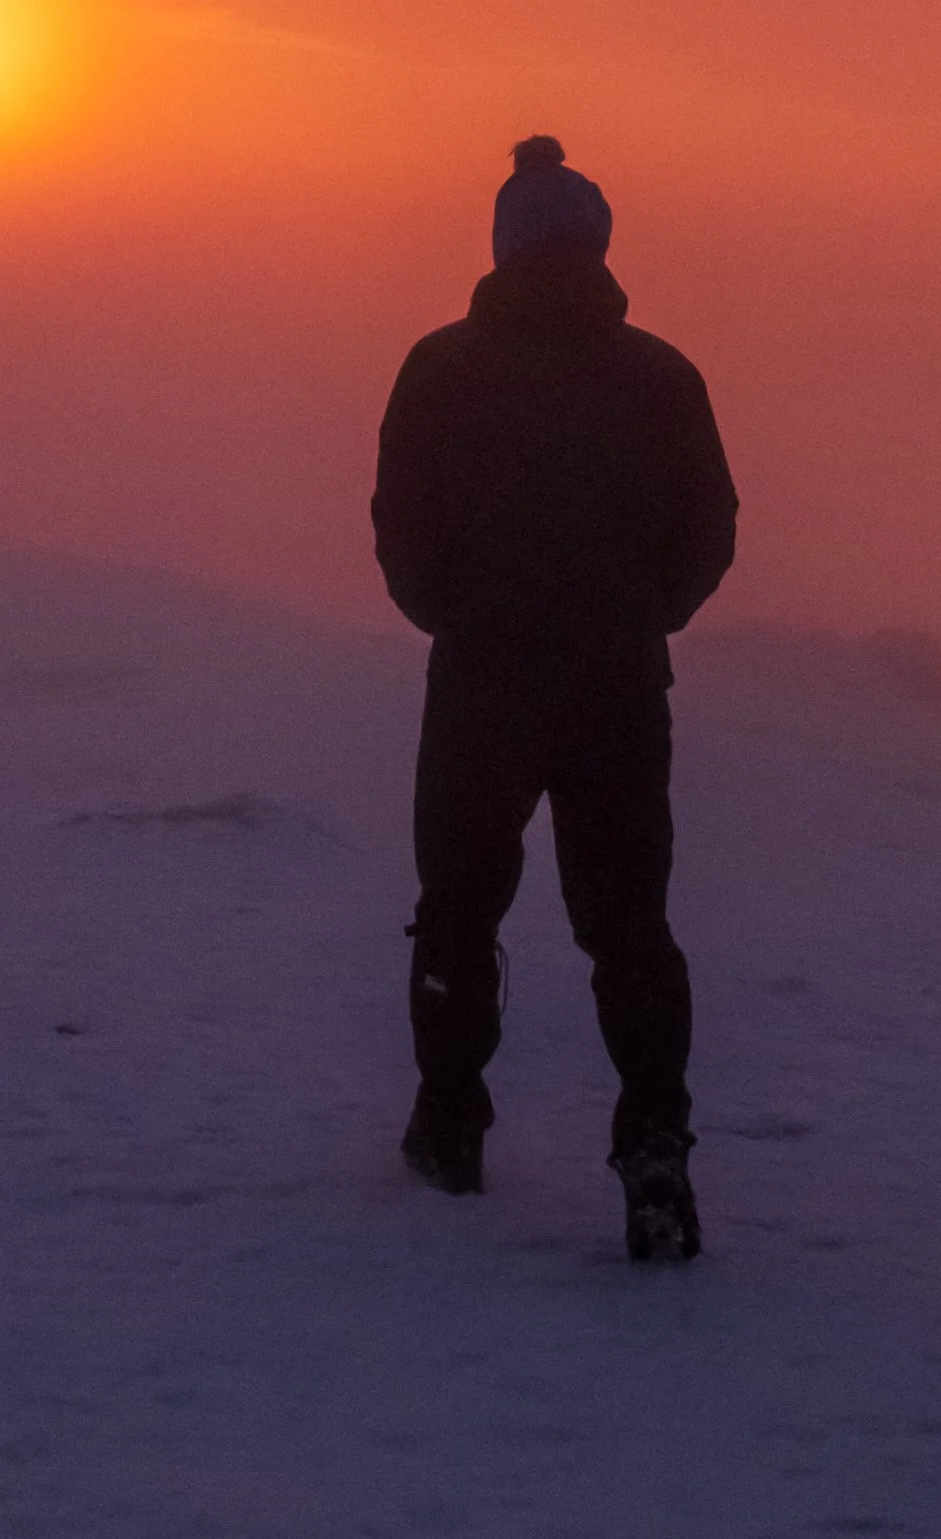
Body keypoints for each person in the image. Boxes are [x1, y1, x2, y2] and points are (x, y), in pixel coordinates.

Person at [371, 135, 737, 1260]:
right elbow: (708, 531)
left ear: (504, 245)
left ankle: (449, 1125)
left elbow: (400, 527)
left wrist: (454, 617)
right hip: (619, 691)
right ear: (596, 244)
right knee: (629, 927)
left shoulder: (440, 369)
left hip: (481, 684)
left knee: (458, 910)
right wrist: (642, 620)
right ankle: (656, 1147)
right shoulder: (661, 377)